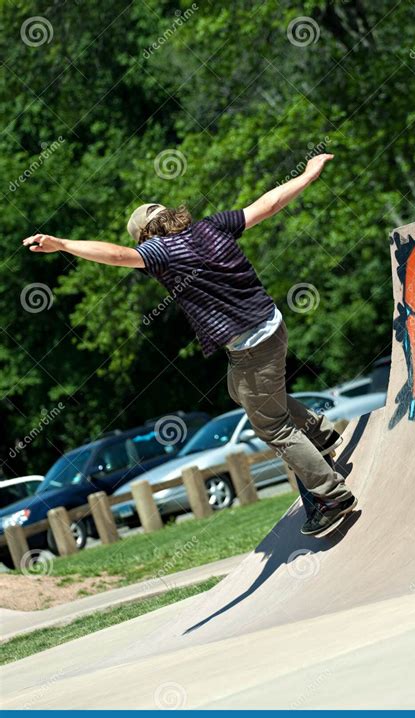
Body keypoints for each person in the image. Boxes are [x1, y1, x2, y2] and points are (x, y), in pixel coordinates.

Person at [23, 152, 356, 536]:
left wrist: (62, 243)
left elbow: (116, 255)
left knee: (273, 427)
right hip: (272, 325)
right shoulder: (214, 225)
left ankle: (331, 494)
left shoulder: (158, 252)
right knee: (239, 390)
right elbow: (268, 203)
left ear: (146, 236)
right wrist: (308, 176)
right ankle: (318, 432)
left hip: (251, 346)